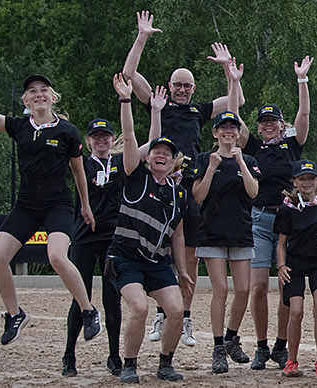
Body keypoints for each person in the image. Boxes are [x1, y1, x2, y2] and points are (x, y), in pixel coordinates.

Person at [0, 53, 101, 345]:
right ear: (26, 101)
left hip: (57, 204)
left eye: (43, 90)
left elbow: (77, 170)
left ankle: (88, 311)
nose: (39, 95)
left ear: (52, 97)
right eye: (32, 92)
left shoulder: (67, 131)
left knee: (57, 256)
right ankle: (14, 314)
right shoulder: (19, 127)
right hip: (26, 204)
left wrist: (85, 205)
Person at [123, 12, 244, 346]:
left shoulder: (199, 110)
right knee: (157, 249)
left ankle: (185, 318)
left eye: (186, 85)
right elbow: (130, 74)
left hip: (188, 187)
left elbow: (237, 105)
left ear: (193, 88)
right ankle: (162, 314)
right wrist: (142, 36)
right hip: (159, 182)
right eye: (177, 84)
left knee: (187, 256)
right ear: (170, 85)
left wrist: (229, 73)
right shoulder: (157, 102)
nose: (180, 89)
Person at [110, 76, 189, 383]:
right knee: (140, 308)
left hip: (157, 262)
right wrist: (126, 101)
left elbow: (178, 234)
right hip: (125, 258)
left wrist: (182, 270)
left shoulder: (178, 192)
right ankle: (129, 364)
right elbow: (130, 137)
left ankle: (165, 363)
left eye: (167, 153)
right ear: (149, 156)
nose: (161, 155)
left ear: (173, 162)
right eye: (157, 150)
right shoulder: (135, 176)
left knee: (177, 310)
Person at [239, 56, 314, 369]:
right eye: (264, 121)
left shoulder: (291, 145)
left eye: (274, 121)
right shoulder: (253, 147)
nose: (268, 125)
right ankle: (260, 345)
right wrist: (233, 80)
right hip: (258, 219)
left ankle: (282, 345)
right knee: (258, 286)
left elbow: (305, 114)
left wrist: (301, 80)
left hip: (288, 220)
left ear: (282, 125)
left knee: (286, 285)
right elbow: (234, 122)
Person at [192, 111, 261, 374]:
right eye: (224, 128)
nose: (228, 132)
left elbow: (253, 192)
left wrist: (240, 161)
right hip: (212, 233)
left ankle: (232, 337)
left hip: (241, 232)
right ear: (215, 132)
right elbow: (198, 196)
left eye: (233, 128)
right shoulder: (203, 159)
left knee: (243, 290)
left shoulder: (250, 159)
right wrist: (211, 167)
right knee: (220, 290)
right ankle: (218, 347)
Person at [61, 118, 127, 377]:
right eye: (96, 136)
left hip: (113, 237)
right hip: (84, 235)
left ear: (112, 139)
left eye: (106, 136)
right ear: (88, 141)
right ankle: (69, 355)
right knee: (81, 297)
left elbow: (144, 147)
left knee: (113, 299)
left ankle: (114, 356)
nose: (101, 140)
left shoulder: (120, 163)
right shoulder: (81, 164)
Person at [275, 159, 317, 377]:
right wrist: (281, 266)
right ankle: (291, 361)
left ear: (316, 180)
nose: (307, 182)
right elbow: (281, 243)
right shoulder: (287, 209)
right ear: (295, 182)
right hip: (295, 265)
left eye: (310, 178)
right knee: (296, 311)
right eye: (302, 179)